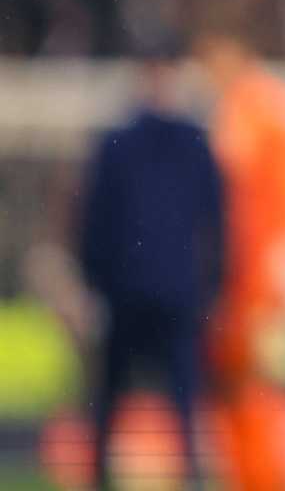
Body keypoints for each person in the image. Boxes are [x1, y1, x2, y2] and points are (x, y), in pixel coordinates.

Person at [79, 43, 224, 491]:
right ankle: (103, 472)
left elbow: (216, 222)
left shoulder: (191, 142)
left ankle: (190, 473)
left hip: (172, 293)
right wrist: (97, 281)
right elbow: (95, 220)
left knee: (183, 395)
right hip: (133, 291)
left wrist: (213, 286)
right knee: (116, 391)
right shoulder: (122, 142)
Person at [193, 25, 285, 491]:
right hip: (275, 279)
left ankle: (263, 480)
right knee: (263, 389)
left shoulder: (251, 110)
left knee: (254, 390)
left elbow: (246, 201)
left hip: (257, 284)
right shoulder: (279, 108)